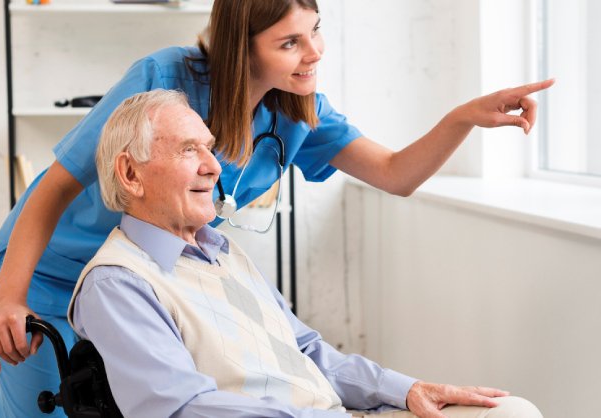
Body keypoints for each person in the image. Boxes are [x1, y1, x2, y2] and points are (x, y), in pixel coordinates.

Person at [0, 0, 553, 416]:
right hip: (49, 273)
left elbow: (395, 173)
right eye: (290, 42)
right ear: (241, 47)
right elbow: (52, 188)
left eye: (315, 32)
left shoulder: (298, 109)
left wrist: (461, 119)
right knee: (53, 409)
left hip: (168, 278)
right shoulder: (165, 80)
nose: (314, 53)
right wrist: (10, 296)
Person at [69, 89, 543, 418]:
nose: (214, 167)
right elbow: (180, 409)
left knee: (511, 411)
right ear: (131, 175)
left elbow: (308, 351)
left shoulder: (222, 249)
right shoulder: (118, 283)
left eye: (210, 148)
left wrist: (408, 390)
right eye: (189, 150)